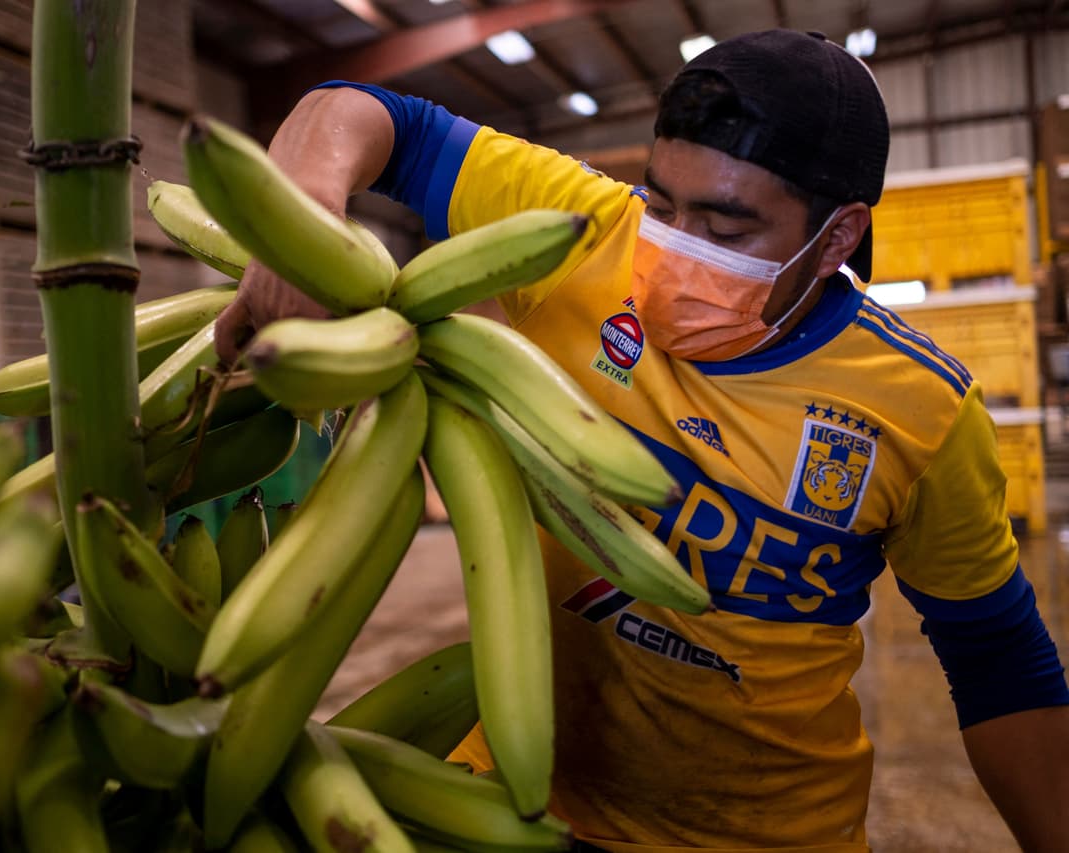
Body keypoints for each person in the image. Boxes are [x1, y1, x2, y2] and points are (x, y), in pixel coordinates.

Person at [215, 29, 1069, 852]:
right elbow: (364, 112)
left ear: (837, 235)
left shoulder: (920, 408)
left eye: (728, 230)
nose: (670, 251)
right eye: (660, 204)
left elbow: (997, 656)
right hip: (509, 792)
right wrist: (304, 218)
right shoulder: (579, 232)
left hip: (766, 833)